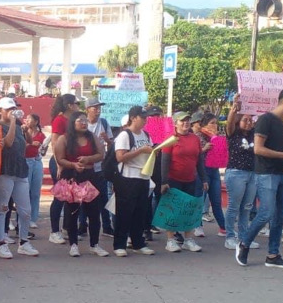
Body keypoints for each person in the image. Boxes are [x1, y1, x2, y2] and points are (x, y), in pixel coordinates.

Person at [236, 88, 283, 269]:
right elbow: (258, 149)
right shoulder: (265, 120)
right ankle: (244, 244)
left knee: (280, 216)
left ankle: (273, 255)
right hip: (266, 173)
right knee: (266, 212)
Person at [0, 98, 39, 259]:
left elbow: (26, 144)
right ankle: (1, 243)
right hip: (3, 172)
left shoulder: (17, 127)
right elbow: (8, 143)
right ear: (0, 111)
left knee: (25, 210)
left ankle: (23, 242)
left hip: (19, 171)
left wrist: (23, 128)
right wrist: (12, 123)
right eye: (8, 108)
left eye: (14, 108)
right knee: (2, 207)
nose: (12, 111)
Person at [54, 111, 107, 257]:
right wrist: (73, 165)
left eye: (85, 120)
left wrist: (88, 158)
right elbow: (60, 159)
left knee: (94, 213)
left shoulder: (92, 137)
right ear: (73, 122)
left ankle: (94, 244)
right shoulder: (64, 138)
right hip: (72, 177)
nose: (84, 123)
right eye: (80, 120)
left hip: (90, 177)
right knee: (72, 212)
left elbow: (101, 154)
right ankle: (73, 245)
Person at [113, 106, 157, 256]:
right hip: (128, 178)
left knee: (140, 212)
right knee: (124, 212)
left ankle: (138, 242)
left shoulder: (146, 134)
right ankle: (120, 244)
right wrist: (141, 151)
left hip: (143, 177)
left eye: (146, 118)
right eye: (142, 117)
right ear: (133, 118)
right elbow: (120, 157)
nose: (145, 120)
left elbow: (149, 152)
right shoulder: (125, 135)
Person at [160, 111, 206, 253]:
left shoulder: (195, 139)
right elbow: (165, 161)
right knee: (172, 210)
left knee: (189, 210)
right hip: (174, 179)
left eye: (187, 120)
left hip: (190, 179)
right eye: (182, 121)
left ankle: (188, 240)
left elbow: (199, 161)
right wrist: (164, 181)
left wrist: (204, 179)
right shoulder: (171, 139)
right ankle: (170, 240)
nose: (185, 123)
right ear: (176, 123)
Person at [222, 96, 260, 251]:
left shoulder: (254, 135)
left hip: (252, 174)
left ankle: (244, 237)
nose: (249, 122)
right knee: (233, 206)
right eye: (245, 119)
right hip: (236, 173)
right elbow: (230, 123)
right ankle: (230, 237)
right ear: (238, 121)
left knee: (247, 207)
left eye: (251, 120)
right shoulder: (233, 134)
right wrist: (234, 108)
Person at [47, 94, 79, 245]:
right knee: (60, 197)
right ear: (69, 105)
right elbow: (55, 142)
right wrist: (59, 163)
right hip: (61, 162)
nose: (78, 106)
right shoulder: (60, 120)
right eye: (76, 103)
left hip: (71, 162)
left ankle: (69, 228)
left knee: (72, 197)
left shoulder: (73, 121)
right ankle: (54, 231)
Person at [82, 97, 113, 236]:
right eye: (95, 108)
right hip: (85, 167)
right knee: (84, 197)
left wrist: (106, 139)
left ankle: (107, 226)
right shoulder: (82, 124)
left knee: (103, 197)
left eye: (99, 108)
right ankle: (82, 226)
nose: (98, 111)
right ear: (88, 109)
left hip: (100, 167)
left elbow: (112, 145)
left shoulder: (104, 123)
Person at [196, 113, 227, 236]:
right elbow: (194, 154)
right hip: (202, 171)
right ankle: (197, 225)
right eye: (212, 123)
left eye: (216, 123)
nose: (215, 125)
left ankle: (223, 227)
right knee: (200, 199)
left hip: (214, 170)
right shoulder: (198, 136)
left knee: (216, 200)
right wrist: (204, 149)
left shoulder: (217, 137)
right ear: (205, 125)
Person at [22, 113, 45, 230]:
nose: (27, 120)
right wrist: (30, 144)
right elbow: (22, 146)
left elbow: (39, 148)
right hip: (25, 161)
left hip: (36, 161)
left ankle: (32, 218)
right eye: (26, 118)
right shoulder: (22, 131)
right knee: (25, 191)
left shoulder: (41, 135)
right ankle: (23, 217)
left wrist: (30, 145)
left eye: (30, 119)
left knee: (35, 192)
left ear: (36, 122)